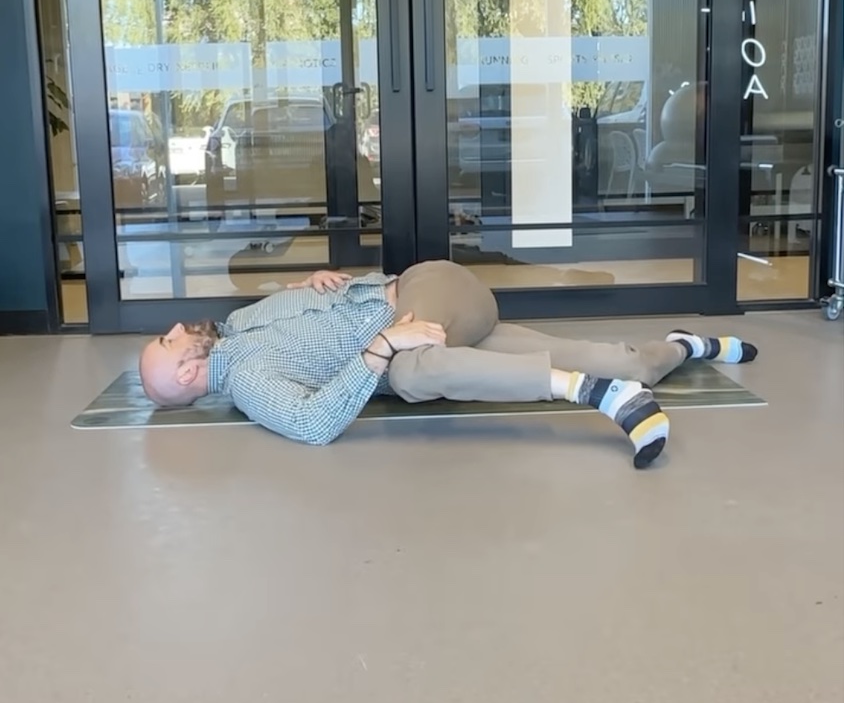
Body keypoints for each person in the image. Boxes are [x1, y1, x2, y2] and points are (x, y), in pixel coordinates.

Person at [139, 261, 757, 468]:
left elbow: (336, 305)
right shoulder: (248, 381)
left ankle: (598, 396)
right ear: (187, 376)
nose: (176, 330)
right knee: (623, 362)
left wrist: (323, 280)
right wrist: (380, 347)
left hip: (430, 290)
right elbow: (310, 423)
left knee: (411, 373)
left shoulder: (241, 323)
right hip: (440, 334)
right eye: (169, 344)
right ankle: (682, 347)